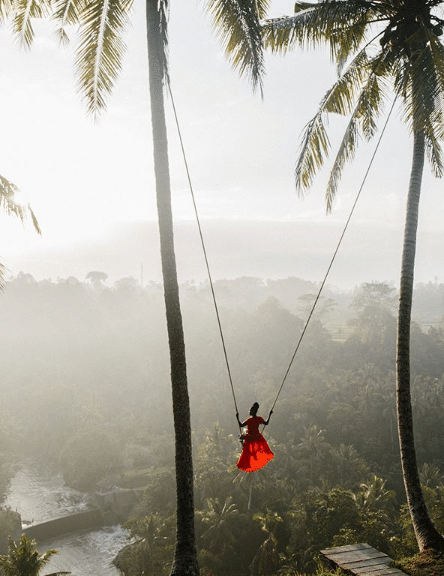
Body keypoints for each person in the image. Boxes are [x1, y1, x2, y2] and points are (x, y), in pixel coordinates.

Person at [236, 402, 274, 472]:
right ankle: (242, 439)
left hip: (251, 438)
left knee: (247, 453)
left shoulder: (250, 420)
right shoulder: (257, 419)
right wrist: (269, 414)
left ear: (254, 411)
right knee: (248, 452)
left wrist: (237, 418)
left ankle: (242, 440)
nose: (249, 411)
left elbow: (241, 425)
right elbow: (266, 423)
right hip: (255, 437)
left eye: (251, 410)